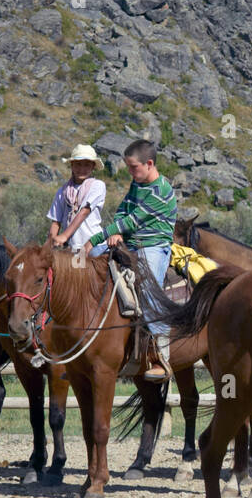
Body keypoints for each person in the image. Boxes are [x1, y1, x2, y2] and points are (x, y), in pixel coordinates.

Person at [87, 139, 178, 382]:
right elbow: (123, 211)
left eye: (133, 167)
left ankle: (161, 357)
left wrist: (96, 236)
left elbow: (132, 220)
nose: (130, 171)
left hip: (153, 247)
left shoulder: (162, 191)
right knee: (92, 261)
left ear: (149, 164)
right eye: (128, 167)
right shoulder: (137, 184)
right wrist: (114, 234)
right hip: (131, 244)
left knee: (149, 289)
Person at [47, 143, 107, 256]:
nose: (82, 169)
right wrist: (51, 244)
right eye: (78, 164)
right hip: (75, 248)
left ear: (93, 166)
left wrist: (64, 236)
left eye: (86, 165)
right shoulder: (62, 192)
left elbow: (84, 211)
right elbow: (56, 221)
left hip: (95, 245)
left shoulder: (97, 186)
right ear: (72, 165)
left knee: (102, 271)